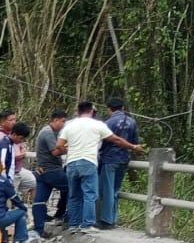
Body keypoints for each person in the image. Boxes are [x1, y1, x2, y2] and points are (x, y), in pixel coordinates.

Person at [58, 99, 143, 234]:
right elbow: (116, 139)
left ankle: (73, 224)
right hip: (88, 161)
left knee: (74, 195)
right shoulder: (98, 125)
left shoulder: (69, 125)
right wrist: (133, 147)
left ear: (78, 111)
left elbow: (59, 145)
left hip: (72, 163)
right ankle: (87, 224)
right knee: (90, 194)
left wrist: (70, 151)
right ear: (92, 111)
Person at [98, 98, 140, 228]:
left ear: (109, 109)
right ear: (122, 108)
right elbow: (135, 141)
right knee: (115, 189)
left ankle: (106, 220)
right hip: (124, 159)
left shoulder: (108, 123)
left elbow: (102, 142)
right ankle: (113, 218)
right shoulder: (132, 121)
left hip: (109, 159)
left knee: (107, 190)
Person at [31, 110, 69, 235]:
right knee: (73, 188)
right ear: (55, 120)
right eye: (62, 121)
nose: (63, 124)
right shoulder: (48, 133)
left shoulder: (50, 132)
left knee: (39, 201)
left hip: (43, 171)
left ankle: (39, 229)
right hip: (52, 171)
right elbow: (55, 151)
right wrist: (71, 148)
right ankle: (66, 217)